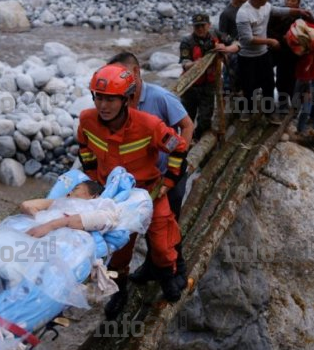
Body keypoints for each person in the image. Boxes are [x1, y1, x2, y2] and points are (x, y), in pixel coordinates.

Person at [77, 64, 189, 318]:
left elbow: (178, 147)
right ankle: (120, 290)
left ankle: (168, 275)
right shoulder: (87, 120)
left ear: (126, 99)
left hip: (149, 193)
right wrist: (93, 179)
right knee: (118, 252)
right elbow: (84, 147)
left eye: (110, 99)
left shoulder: (148, 124)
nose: (103, 105)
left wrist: (168, 183)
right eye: (99, 97)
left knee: (162, 243)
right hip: (114, 199)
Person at [108, 52, 193, 221]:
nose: (119, 79)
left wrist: (176, 162)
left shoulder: (160, 97)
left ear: (137, 72)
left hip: (167, 172)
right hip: (140, 177)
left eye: (123, 74)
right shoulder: (120, 101)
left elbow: (187, 125)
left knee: (169, 224)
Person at [235, 0, 311, 123]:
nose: (266, 1)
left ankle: (269, 112)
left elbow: (278, 10)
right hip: (247, 56)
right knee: (248, 85)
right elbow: (247, 39)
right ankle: (247, 110)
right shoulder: (243, 13)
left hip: (263, 53)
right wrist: (270, 41)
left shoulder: (265, 5)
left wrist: (299, 11)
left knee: (269, 84)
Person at [180, 13, 231, 139]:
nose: (200, 29)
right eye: (197, 26)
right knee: (187, 118)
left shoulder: (216, 35)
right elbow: (184, 62)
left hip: (209, 85)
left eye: (203, 25)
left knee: (205, 118)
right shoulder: (187, 41)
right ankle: (186, 142)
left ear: (209, 25)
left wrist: (225, 48)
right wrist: (196, 64)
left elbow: (233, 42)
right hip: (191, 86)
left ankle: (199, 138)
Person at [20, 181, 116, 238]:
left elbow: (101, 219)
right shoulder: (61, 203)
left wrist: (49, 226)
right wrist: (41, 219)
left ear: (94, 196)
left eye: (75, 189)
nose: (68, 193)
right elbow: (27, 205)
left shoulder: (98, 207)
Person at [268, 0, 303, 113]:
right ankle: (283, 105)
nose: (289, 2)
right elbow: (268, 30)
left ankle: (295, 108)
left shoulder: (302, 17)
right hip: (281, 52)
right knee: (281, 79)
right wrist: (281, 38)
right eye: (287, 0)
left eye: (292, 0)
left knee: (294, 82)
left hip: (295, 56)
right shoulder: (278, 15)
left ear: (298, 3)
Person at [218, 0, 247, 94]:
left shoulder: (246, 8)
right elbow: (222, 34)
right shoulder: (227, 13)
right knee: (231, 77)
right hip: (233, 51)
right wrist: (233, 42)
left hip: (247, 47)